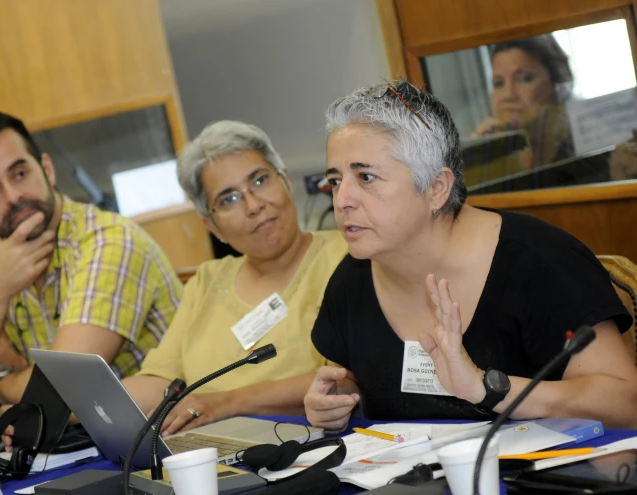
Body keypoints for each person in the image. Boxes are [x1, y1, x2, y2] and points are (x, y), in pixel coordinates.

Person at [304, 81, 637, 433]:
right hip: (411, 483)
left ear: (436, 188)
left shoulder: (539, 262)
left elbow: (625, 403)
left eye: (366, 177)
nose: (342, 201)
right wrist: (340, 400)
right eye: (336, 180)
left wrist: (485, 388)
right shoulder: (352, 278)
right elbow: (360, 380)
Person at [0, 113, 183, 414]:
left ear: (47, 170)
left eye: (20, 174)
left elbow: (68, 389)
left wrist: (0, 384)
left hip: (164, 431)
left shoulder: (107, 240)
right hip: (81, 438)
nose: (13, 196)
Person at [120, 120, 349, 435]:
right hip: (218, 449)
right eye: (228, 199)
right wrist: (87, 403)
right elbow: (161, 382)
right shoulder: (207, 281)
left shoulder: (348, 258)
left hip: (315, 443)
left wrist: (226, 403)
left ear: (286, 182)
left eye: (259, 180)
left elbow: (346, 380)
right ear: (213, 227)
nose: (254, 205)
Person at [472, 35, 575, 169]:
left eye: (525, 79)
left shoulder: (583, 146)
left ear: (558, 83)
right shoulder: (499, 156)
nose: (508, 95)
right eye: (498, 83)